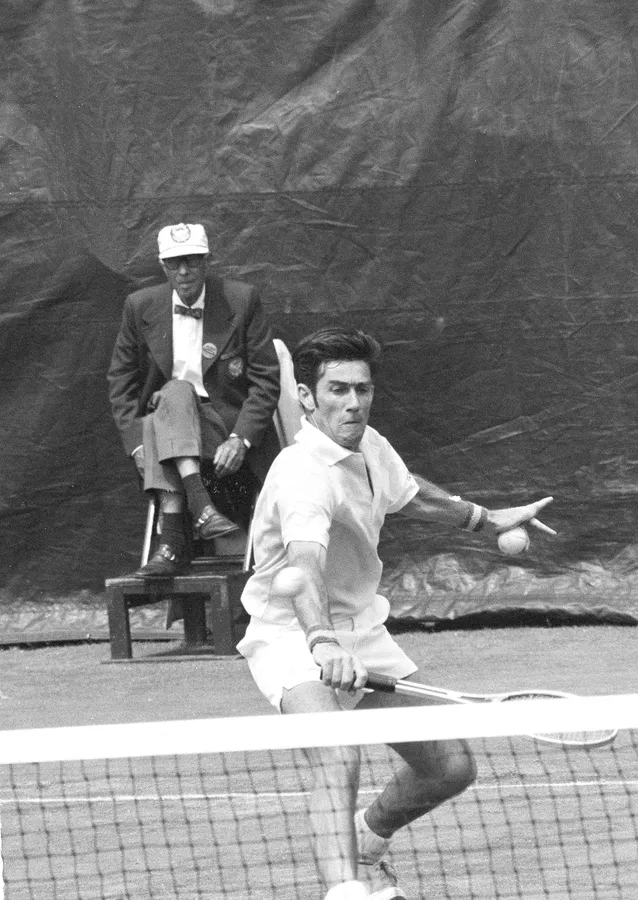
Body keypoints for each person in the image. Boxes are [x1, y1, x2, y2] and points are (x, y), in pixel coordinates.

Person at [237, 327, 555, 900]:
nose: (353, 403)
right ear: (306, 397)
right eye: (337, 389)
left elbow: (412, 494)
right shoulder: (302, 474)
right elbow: (305, 566)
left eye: (362, 389)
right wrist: (322, 642)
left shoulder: (371, 446)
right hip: (292, 635)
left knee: (449, 766)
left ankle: (368, 838)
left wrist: (486, 519)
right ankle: (345, 892)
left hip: (362, 629)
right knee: (337, 753)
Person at [108, 222, 281, 577]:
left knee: (172, 397)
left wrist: (241, 438)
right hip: (169, 428)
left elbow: (266, 379)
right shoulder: (140, 306)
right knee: (174, 394)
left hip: (224, 429)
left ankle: (171, 544)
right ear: (163, 266)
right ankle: (201, 509)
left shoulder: (241, 299)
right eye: (174, 263)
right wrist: (136, 445)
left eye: (192, 260)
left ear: (207, 260)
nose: (184, 271)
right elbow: (120, 381)